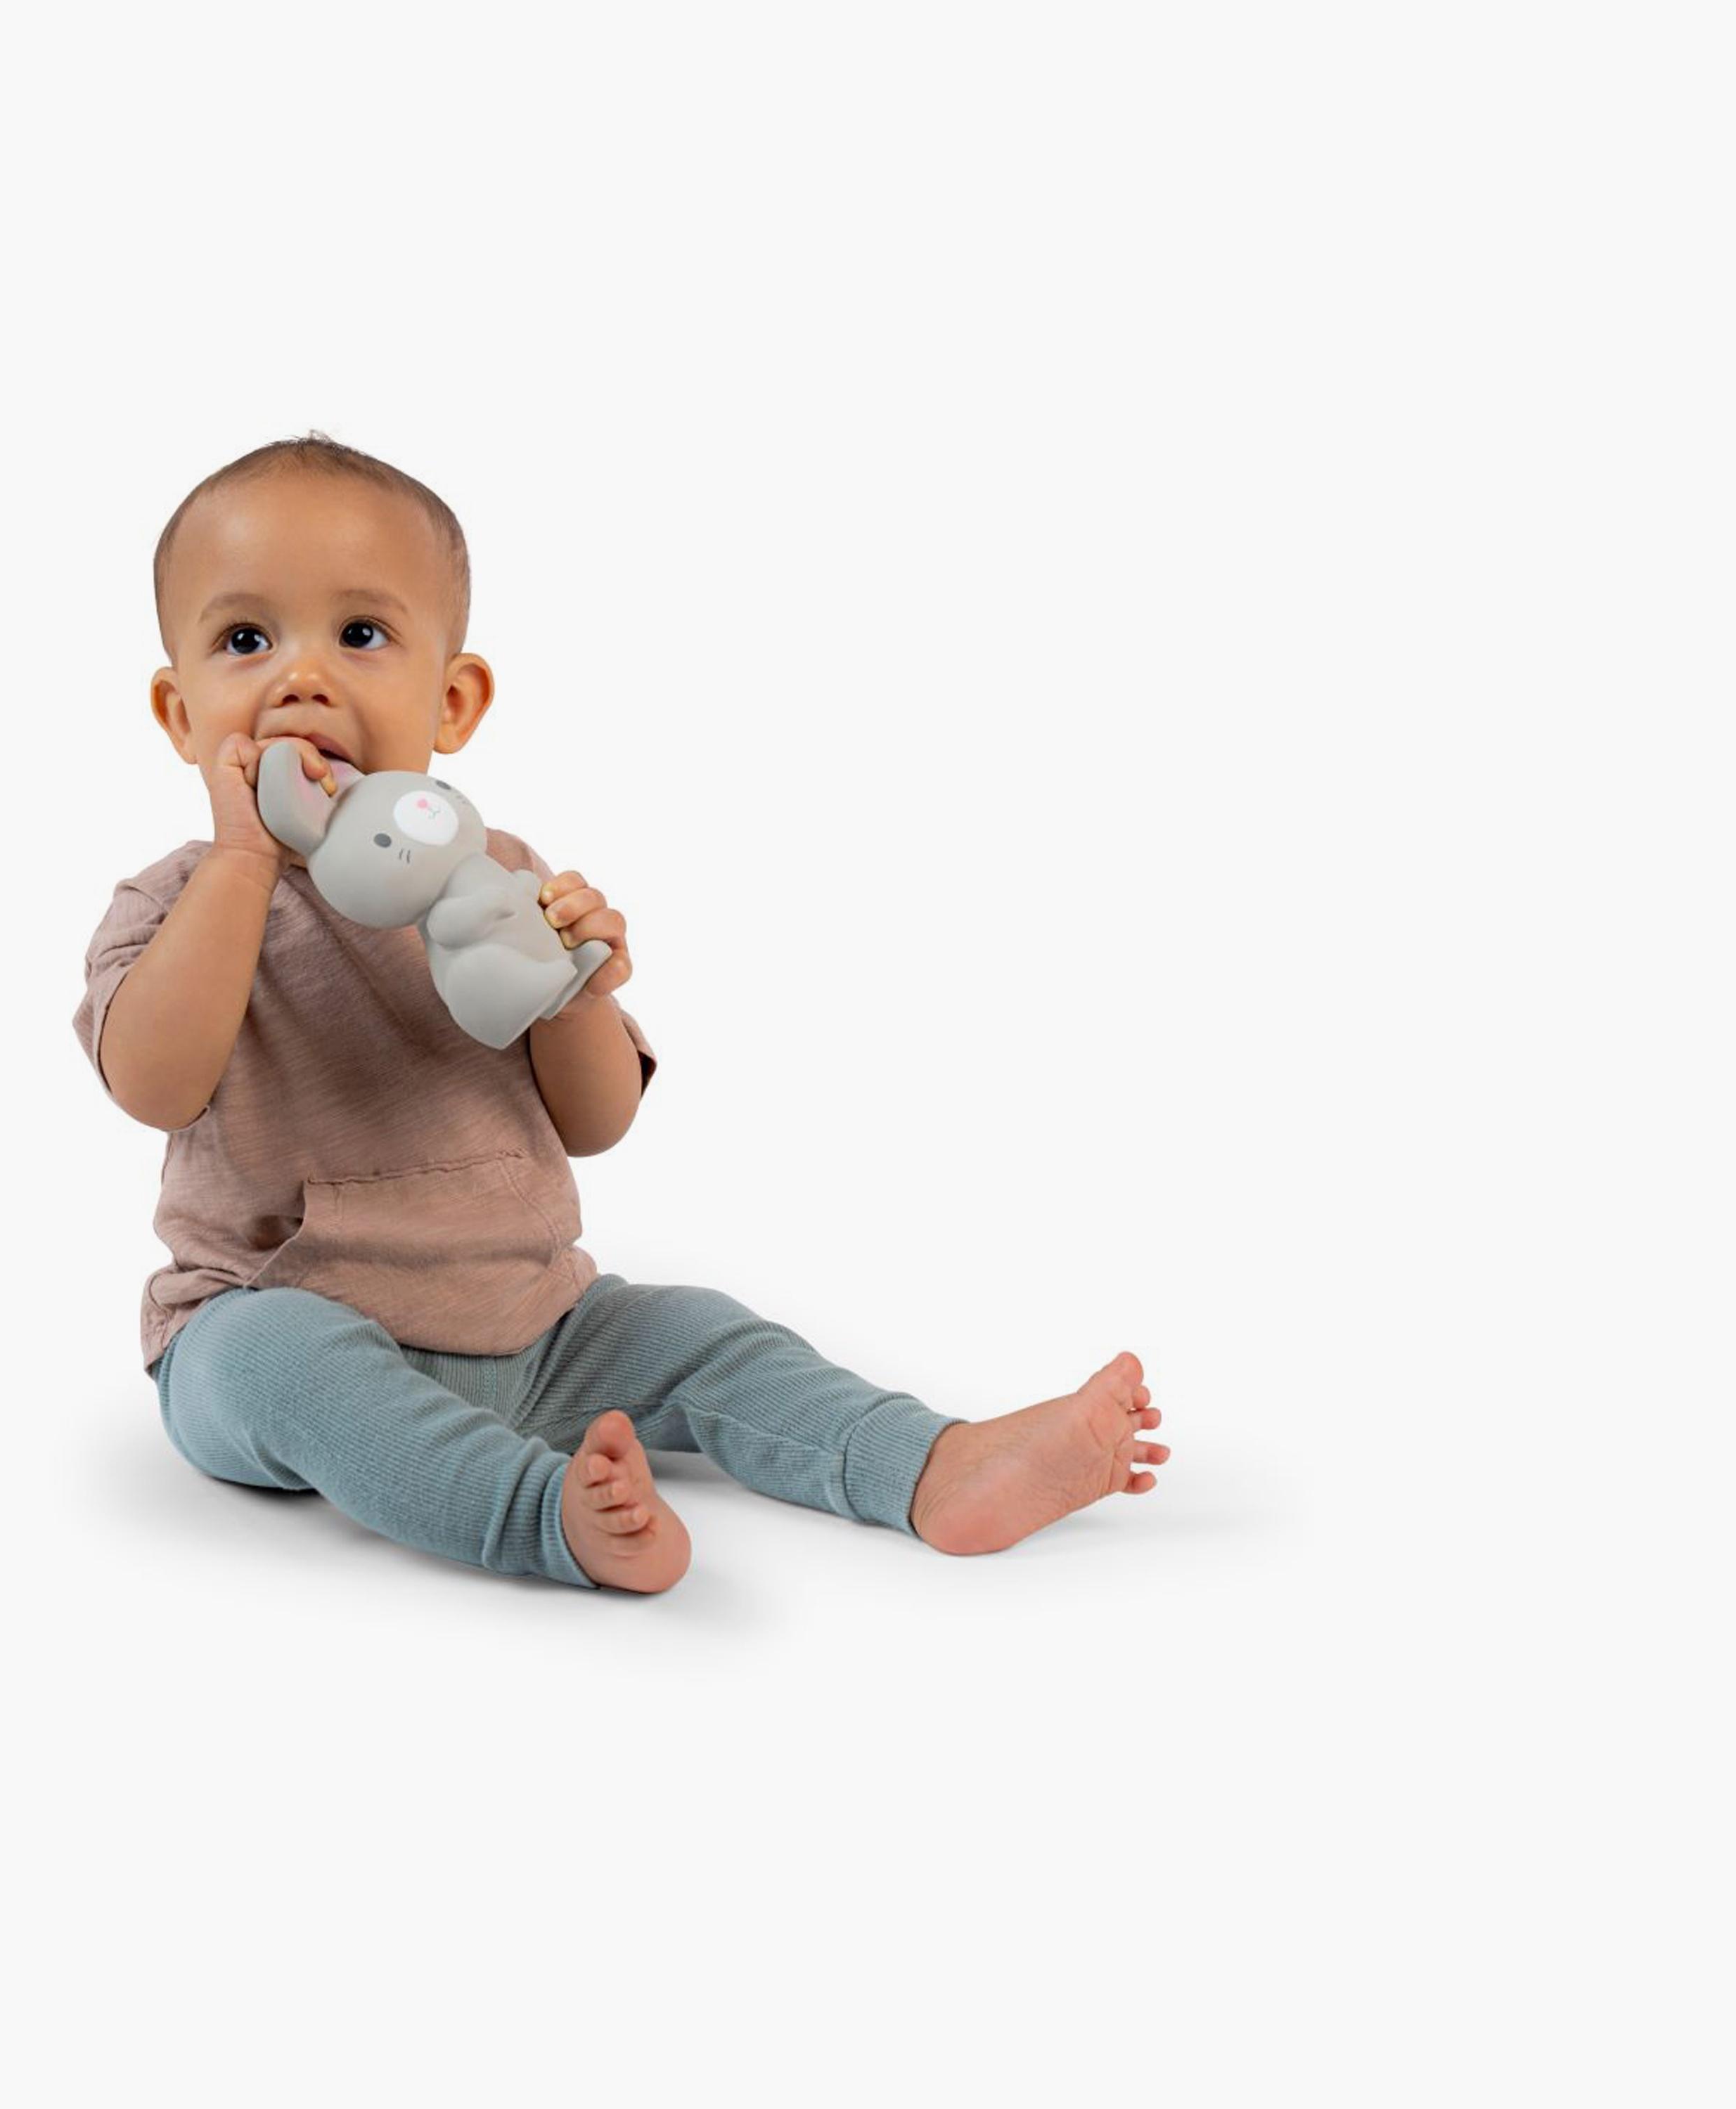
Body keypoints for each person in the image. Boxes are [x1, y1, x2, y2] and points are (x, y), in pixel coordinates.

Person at [71, 431, 1170, 1592]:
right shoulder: (175, 905)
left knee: (702, 1334)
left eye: (361, 635)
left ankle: (924, 1464)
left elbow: (594, 1123)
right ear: (181, 715)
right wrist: (243, 862)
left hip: (537, 1327)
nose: (303, 678)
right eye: (246, 641)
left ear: (453, 700)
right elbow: (157, 1084)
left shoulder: (495, 878)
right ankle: (538, 1513)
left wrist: (576, 993)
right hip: (276, 1315)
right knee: (273, 1366)